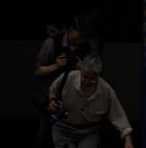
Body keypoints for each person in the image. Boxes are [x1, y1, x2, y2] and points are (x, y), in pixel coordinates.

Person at [34, 13, 100, 148]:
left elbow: (98, 72)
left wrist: (83, 67)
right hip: (52, 94)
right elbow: (38, 71)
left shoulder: (89, 44)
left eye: (86, 36)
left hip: (79, 96)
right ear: (70, 30)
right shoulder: (51, 43)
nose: (83, 39)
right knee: (45, 134)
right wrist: (56, 66)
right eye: (80, 35)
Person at [47, 53, 134, 148]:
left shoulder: (106, 90)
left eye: (92, 79)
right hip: (64, 129)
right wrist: (53, 100)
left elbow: (118, 115)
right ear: (81, 71)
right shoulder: (68, 78)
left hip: (89, 132)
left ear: (99, 74)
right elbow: (52, 90)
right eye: (85, 77)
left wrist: (128, 140)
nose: (88, 82)